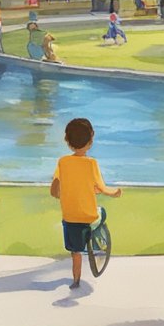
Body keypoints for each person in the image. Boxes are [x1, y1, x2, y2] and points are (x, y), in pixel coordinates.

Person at [50, 118, 121, 289]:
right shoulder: (91, 163)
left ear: (67, 141)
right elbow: (102, 188)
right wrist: (115, 192)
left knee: (76, 253)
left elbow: (54, 191)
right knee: (101, 213)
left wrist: (68, 195)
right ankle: (95, 239)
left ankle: (76, 281)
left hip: (69, 217)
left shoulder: (63, 162)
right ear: (91, 140)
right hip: (88, 216)